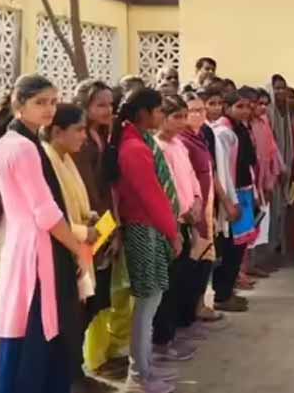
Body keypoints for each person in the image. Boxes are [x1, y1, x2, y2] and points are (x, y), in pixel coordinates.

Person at [0, 74, 92, 393]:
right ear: (19, 104)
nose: (49, 109)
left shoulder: (12, 142)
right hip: (39, 252)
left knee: (27, 333)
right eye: (40, 102)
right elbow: (46, 212)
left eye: (53, 102)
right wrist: (78, 248)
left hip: (26, 248)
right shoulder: (23, 147)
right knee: (38, 337)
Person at [107, 88, 181, 393]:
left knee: (150, 301)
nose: (162, 116)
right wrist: (173, 233)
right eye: (159, 110)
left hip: (147, 227)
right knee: (147, 303)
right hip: (143, 229)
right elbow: (152, 197)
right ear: (143, 113)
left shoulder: (136, 141)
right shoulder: (134, 148)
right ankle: (138, 376)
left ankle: (145, 367)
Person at [42, 104, 109, 393]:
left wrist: (90, 218)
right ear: (58, 131)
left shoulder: (66, 157)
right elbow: (51, 214)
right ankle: (68, 378)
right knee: (67, 320)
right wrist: (83, 230)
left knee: (82, 313)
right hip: (61, 249)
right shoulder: (46, 160)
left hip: (80, 245)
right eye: (79, 130)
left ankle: (74, 373)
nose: (84, 135)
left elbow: (75, 202)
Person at [72, 80, 128, 380]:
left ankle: (99, 356)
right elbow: (88, 190)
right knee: (89, 294)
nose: (108, 110)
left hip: (105, 221)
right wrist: (100, 227)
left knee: (102, 292)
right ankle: (89, 361)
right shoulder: (82, 143)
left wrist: (113, 225)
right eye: (101, 105)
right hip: (90, 225)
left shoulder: (102, 135)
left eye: (110, 104)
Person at [152, 95, 205, 366]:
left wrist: (197, 201)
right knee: (168, 285)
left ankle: (172, 335)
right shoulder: (158, 147)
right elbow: (165, 187)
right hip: (171, 223)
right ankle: (161, 342)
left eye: (185, 116)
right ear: (162, 117)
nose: (183, 122)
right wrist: (180, 214)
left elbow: (191, 177)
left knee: (181, 280)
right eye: (177, 117)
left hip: (187, 219)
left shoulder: (179, 144)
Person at [210, 88, 259, 311]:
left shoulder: (241, 128)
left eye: (247, 106)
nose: (245, 111)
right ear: (227, 107)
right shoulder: (223, 132)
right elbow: (223, 170)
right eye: (239, 106)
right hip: (232, 194)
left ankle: (228, 290)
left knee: (239, 245)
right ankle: (222, 295)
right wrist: (229, 201)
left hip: (244, 191)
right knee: (230, 246)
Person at [179, 92, 222, 325]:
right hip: (193, 208)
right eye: (192, 111)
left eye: (201, 110)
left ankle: (199, 305)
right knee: (195, 257)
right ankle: (189, 310)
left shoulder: (201, 136)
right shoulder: (183, 141)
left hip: (207, 204)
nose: (198, 115)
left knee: (206, 257)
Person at [246, 88, 283, 276]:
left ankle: (253, 263)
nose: (262, 107)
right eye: (259, 103)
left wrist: (273, 177)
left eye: (265, 104)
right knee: (247, 225)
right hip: (250, 180)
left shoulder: (264, 122)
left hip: (265, 179)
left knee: (260, 222)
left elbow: (272, 149)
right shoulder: (247, 125)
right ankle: (243, 268)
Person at [268, 75, 294, 260]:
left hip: (287, 164)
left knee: (283, 206)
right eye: (276, 88)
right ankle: (270, 247)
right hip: (272, 168)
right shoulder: (268, 113)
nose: (280, 92)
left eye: (283, 88)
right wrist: (278, 166)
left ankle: (279, 243)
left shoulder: (286, 112)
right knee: (272, 207)